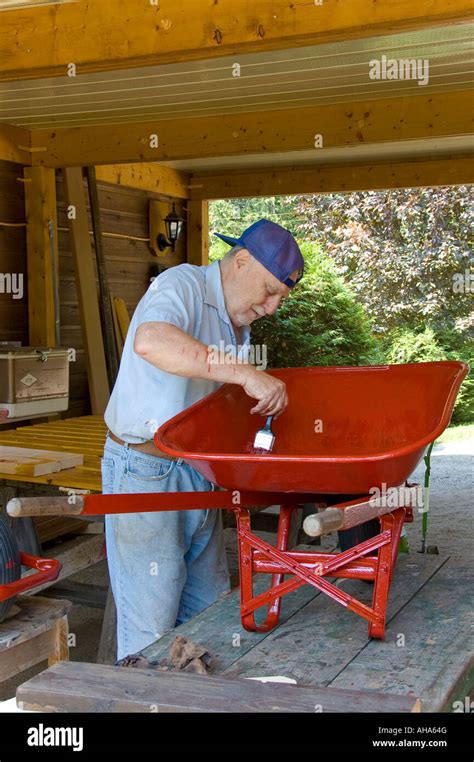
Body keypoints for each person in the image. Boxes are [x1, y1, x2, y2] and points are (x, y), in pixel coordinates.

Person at [101, 218, 304, 660]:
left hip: (197, 473)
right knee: (151, 629)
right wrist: (246, 374)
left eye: (280, 300)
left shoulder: (236, 325)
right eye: (269, 291)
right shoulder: (183, 284)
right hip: (145, 470)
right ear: (241, 261)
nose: (271, 307)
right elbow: (151, 342)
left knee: (210, 614)